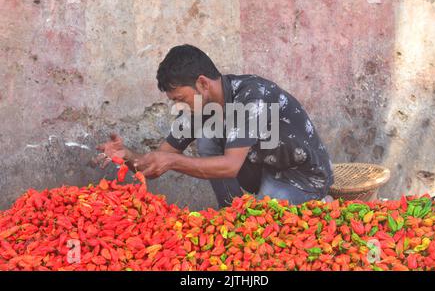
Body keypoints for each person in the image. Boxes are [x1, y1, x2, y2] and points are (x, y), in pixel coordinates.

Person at [96, 44, 334, 208]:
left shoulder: (251, 96)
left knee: (264, 229)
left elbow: (230, 166)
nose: (180, 106)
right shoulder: (201, 107)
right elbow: (160, 158)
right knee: (208, 137)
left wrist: (171, 162)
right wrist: (126, 155)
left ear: (202, 83)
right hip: (262, 169)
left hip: (299, 176)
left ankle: (319, 204)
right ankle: (230, 212)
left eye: (180, 99)